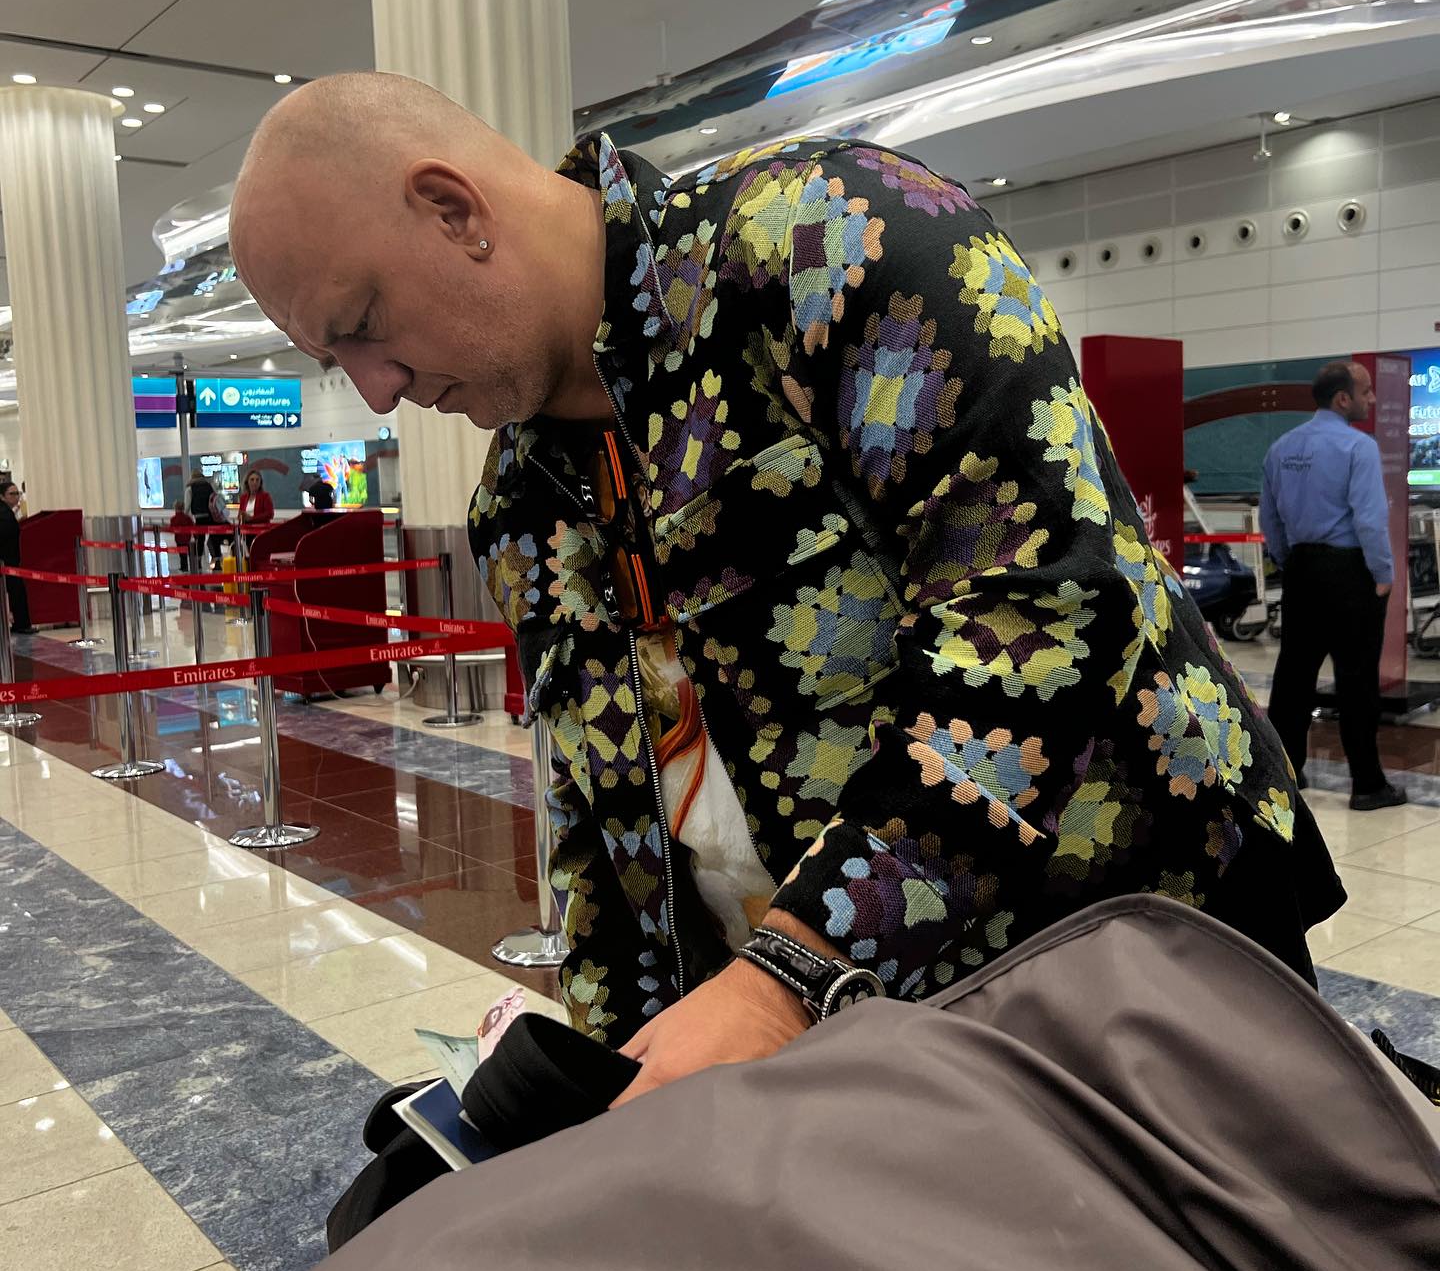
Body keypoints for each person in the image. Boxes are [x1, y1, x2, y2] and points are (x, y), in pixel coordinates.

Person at [231, 72, 1343, 1105]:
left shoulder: (831, 241)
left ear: (452, 210)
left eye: (363, 325)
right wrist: (605, 1088)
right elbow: (603, 830)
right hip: (860, 1052)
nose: (377, 392)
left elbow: (1044, 614)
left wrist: (791, 975)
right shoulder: (519, 503)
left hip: (1127, 946)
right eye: (336, 363)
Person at [1260, 361, 1406, 812]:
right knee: (1357, 681)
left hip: (1302, 570)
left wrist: (1291, 563)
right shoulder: (1359, 447)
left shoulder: (1281, 448)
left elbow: (1270, 519)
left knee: (1293, 677)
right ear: (1343, 399)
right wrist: (1383, 575)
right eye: (1366, 392)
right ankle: (1367, 785)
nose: (1372, 399)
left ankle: (1284, 775)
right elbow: (1369, 519)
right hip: (1350, 573)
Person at [0, 479, 33, 634]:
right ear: (2, 496)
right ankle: (21, 624)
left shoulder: (6, 512)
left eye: (17, 493)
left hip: (8, 560)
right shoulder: (4, 514)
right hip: (7, 561)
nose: (16, 497)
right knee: (16, 591)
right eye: (11, 494)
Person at [168, 500, 196, 574]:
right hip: (187, 539)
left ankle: (184, 568)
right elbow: (193, 527)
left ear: (175, 508)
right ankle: (191, 567)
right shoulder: (187, 518)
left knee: (181, 554)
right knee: (188, 554)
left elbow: (171, 529)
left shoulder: (173, 519)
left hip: (179, 539)